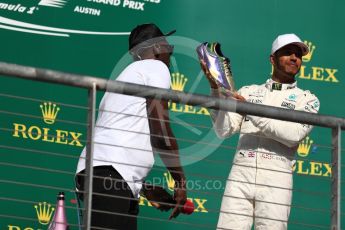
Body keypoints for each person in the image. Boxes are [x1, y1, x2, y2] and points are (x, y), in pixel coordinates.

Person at [201, 34, 320, 229]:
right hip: (240, 173)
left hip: (276, 178)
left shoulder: (306, 100)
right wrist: (215, 91)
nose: (294, 58)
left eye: (298, 55)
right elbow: (224, 130)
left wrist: (251, 111)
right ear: (272, 59)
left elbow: (293, 136)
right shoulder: (248, 92)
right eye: (287, 52)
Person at [75, 23, 187, 230]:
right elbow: (161, 131)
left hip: (108, 176)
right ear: (156, 49)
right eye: (167, 46)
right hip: (109, 177)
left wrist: (143, 188)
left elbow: (115, 143)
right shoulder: (155, 67)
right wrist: (180, 182)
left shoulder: (129, 75)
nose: (170, 52)